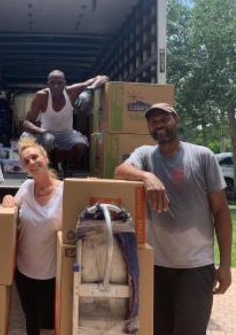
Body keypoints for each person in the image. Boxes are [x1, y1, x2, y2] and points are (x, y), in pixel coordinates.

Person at [114, 102, 232, 335]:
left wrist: (225, 265)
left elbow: (221, 211)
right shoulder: (145, 155)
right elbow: (120, 171)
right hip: (155, 266)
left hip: (195, 267)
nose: (158, 123)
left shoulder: (202, 156)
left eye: (164, 118)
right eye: (153, 120)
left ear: (176, 120)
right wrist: (147, 177)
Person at [2, 137, 63, 335]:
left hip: (52, 272)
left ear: (46, 158)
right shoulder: (26, 188)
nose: (31, 162)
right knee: (31, 319)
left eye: (35, 157)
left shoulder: (65, 191)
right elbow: (12, 210)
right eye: (26, 161)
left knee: (49, 322)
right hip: (24, 270)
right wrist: (7, 198)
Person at [22, 69, 109, 173]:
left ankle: (67, 164)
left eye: (59, 83)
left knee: (81, 146)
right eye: (52, 83)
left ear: (65, 83)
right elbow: (26, 123)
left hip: (66, 134)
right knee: (26, 137)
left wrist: (89, 90)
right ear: (48, 84)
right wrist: (44, 132)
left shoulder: (72, 91)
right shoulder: (42, 96)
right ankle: (48, 164)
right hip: (46, 133)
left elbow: (104, 78)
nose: (56, 86)